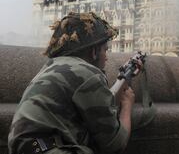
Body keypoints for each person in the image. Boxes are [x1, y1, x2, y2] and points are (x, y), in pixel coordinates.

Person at [8, 12, 135, 154]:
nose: (106, 57)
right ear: (94, 51)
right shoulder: (88, 73)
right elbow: (115, 145)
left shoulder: (49, 67)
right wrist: (127, 106)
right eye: (105, 50)